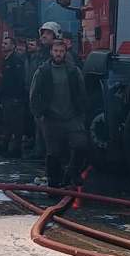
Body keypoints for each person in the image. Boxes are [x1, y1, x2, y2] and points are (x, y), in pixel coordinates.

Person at [29, 38, 90, 190]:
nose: (58, 54)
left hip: (72, 117)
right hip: (51, 118)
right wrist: (38, 114)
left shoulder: (73, 70)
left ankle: (73, 171)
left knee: (81, 145)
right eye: (56, 51)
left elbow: (82, 92)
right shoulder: (43, 71)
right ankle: (53, 184)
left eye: (61, 51)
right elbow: (34, 93)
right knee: (54, 153)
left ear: (65, 53)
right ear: (51, 52)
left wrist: (82, 112)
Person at [0, 36, 28, 158]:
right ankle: (4, 146)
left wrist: (18, 98)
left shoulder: (16, 61)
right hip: (6, 98)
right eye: (2, 42)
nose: (3, 45)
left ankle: (16, 150)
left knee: (17, 125)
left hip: (15, 99)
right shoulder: (6, 60)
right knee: (7, 123)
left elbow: (20, 81)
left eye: (6, 43)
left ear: (13, 46)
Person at [24, 36, 48, 160]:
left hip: (38, 95)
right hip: (30, 92)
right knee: (35, 123)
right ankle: (36, 148)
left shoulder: (39, 59)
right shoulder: (30, 58)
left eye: (32, 45)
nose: (29, 47)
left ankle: (40, 152)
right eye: (28, 45)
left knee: (40, 125)